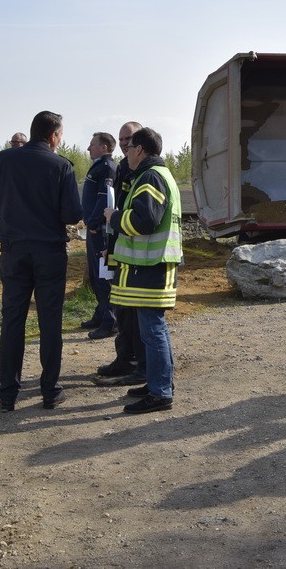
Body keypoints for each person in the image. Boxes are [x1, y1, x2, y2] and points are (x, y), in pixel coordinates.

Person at [0, 111, 83, 411]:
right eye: (61, 135)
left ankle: (7, 395)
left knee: (12, 320)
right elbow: (72, 215)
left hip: (14, 251)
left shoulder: (3, 160)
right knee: (49, 322)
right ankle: (50, 392)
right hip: (49, 253)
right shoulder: (62, 166)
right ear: (53, 136)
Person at [103, 126, 182, 414]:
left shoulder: (150, 176)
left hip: (151, 267)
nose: (126, 153)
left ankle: (160, 393)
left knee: (153, 329)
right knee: (152, 329)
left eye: (129, 147)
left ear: (140, 149)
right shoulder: (154, 174)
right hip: (151, 265)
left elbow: (144, 221)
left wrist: (114, 217)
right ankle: (158, 384)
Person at [94, 121, 147, 385]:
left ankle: (138, 363)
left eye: (129, 139)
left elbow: (139, 216)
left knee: (135, 311)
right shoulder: (124, 168)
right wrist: (109, 245)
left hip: (138, 255)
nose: (125, 143)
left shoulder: (145, 172)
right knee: (121, 307)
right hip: (121, 248)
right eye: (121, 139)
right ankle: (124, 358)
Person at [81, 132, 118, 340]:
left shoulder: (107, 168)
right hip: (94, 229)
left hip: (101, 231)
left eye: (92, 144)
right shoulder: (99, 166)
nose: (88, 148)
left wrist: (94, 223)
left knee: (104, 277)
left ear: (104, 147)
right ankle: (101, 312)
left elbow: (105, 199)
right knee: (96, 275)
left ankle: (110, 321)